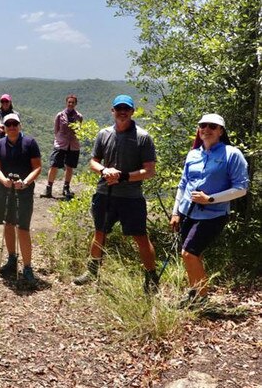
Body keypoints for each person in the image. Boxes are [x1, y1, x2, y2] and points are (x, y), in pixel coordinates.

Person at [73, 95, 159, 293]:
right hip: (105, 193)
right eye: (118, 108)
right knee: (100, 233)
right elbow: (94, 162)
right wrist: (104, 171)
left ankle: (151, 276)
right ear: (112, 111)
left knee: (140, 237)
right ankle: (92, 271)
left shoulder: (143, 137)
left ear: (132, 111)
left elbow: (150, 171)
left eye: (126, 109)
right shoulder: (104, 134)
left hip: (131, 198)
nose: (122, 112)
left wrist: (123, 176)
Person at [170, 114, 248, 307]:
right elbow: (183, 184)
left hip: (213, 215)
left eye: (212, 126)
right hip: (188, 212)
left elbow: (241, 189)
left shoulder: (231, 154)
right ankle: (194, 292)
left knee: (188, 254)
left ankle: (202, 300)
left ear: (221, 131)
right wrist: (175, 212)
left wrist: (210, 199)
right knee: (195, 255)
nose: (206, 129)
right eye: (203, 125)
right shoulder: (193, 154)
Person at [0, 113, 42, 286]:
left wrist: (26, 182)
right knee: (8, 224)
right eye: (9, 124)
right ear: (4, 127)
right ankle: (12, 259)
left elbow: (37, 167)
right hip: (4, 190)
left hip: (24, 191)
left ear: (20, 125)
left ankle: (27, 267)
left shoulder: (30, 143)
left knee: (23, 228)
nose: (12, 127)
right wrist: (3, 180)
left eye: (15, 124)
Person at [41, 94, 83, 200]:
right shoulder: (60, 115)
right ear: (66, 103)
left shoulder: (79, 117)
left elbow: (79, 131)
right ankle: (49, 188)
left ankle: (66, 188)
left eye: (73, 102)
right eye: (69, 102)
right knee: (54, 165)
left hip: (73, 145)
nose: (71, 104)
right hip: (61, 144)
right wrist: (59, 139)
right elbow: (56, 130)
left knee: (69, 166)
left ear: (76, 104)